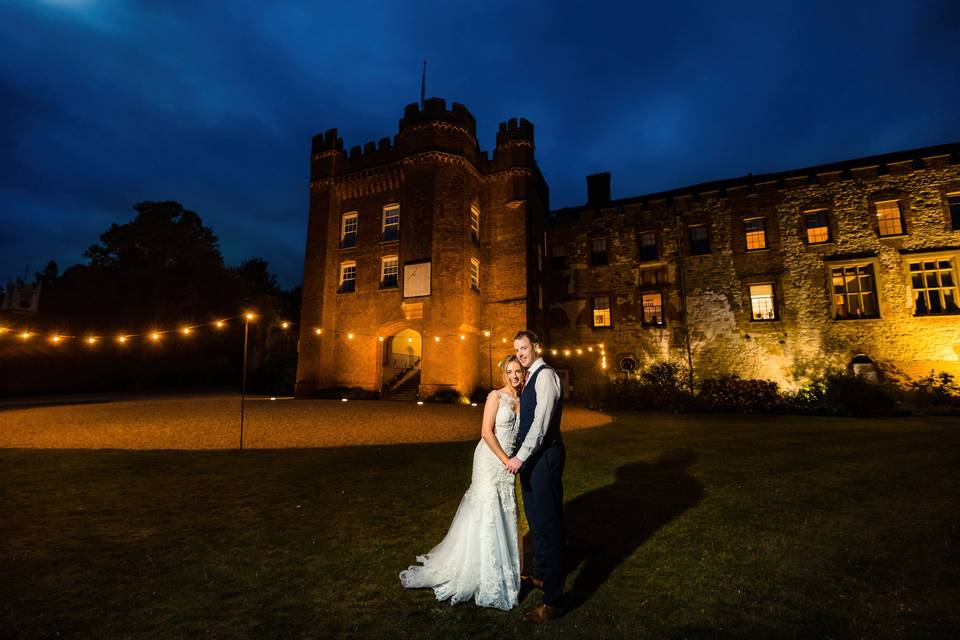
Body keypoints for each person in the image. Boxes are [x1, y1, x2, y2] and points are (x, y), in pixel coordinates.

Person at [399, 355, 524, 610]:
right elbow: (486, 432)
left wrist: (517, 459)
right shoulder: (495, 397)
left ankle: (504, 569)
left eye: (518, 371)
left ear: (523, 374)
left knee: (504, 510)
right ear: (504, 374)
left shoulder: (522, 400)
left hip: (509, 464)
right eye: (510, 371)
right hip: (490, 460)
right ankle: (483, 574)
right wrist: (505, 460)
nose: (514, 376)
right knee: (487, 510)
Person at [504, 330, 566, 623]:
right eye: (516, 350)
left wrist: (519, 457)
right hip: (532, 459)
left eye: (524, 348)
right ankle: (541, 575)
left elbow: (540, 426)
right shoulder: (530, 377)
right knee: (537, 520)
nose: (520, 354)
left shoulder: (546, 376)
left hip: (544, 457)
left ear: (537, 347)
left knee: (550, 526)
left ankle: (553, 601)